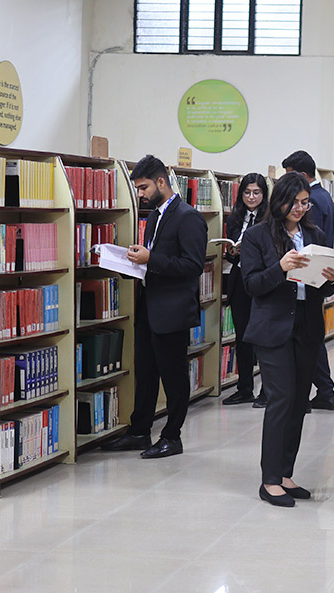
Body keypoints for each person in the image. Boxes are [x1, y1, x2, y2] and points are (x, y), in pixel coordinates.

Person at [240, 172, 334, 507]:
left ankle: (285, 473)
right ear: (279, 201)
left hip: (306, 326)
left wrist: (332, 278)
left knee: (299, 401)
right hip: (273, 327)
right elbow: (252, 285)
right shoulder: (257, 236)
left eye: (304, 202)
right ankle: (269, 480)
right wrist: (281, 267)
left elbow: (321, 289)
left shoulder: (314, 234)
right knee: (281, 399)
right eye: (294, 202)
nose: (300, 208)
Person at [102, 155, 208, 459]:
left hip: (172, 311)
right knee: (145, 373)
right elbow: (154, 262)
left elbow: (193, 265)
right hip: (149, 307)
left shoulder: (188, 217)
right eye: (138, 188)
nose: (140, 194)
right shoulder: (154, 217)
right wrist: (131, 263)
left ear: (161, 182)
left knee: (174, 377)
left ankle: (172, 437)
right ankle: (139, 431)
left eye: (144, 187)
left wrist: (151, 259)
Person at [280, 150, 334, 412]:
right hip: (311, 281)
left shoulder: (314, 202)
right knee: (312, 345)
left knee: (311, 346)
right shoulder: (325, 195)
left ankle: (324, 392)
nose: (299, 207)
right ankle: (322, 392)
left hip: (308, 281)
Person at [220, 173, 269, 406]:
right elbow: (231, 253)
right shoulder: (235, 218)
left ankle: (267, 391)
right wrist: (232, 252)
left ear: (264, 194)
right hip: (240, 279)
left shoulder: (270, 219)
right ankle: (244, 388)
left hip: (261, 280)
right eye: (247, 192)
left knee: (263, 336)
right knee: (243, 336)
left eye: (256, 192)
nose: (251, 197)